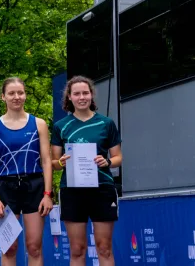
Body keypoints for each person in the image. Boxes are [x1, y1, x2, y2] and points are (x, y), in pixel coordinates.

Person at [51, 76, 122, 266]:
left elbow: (118, 158)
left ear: (91, 95)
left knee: (104, 248)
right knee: (77, 250)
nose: (82, 97)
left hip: (102, 189)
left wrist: (106, 161)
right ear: (69, 97)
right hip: (72, 191)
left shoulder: (106, 123)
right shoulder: (60, 126)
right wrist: (61, 162)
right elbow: (53, 162)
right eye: (77, 93)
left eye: (85, 93)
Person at [0, 77, 53, 266]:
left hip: (34, 186)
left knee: (34, 247)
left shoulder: (39, 124)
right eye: (11, 93)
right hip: (6, 187)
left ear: (25, 95)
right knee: (9, 247)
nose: (17, 97)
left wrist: (48, 194)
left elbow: (47, 161)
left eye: (20, 93)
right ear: (3, 97)